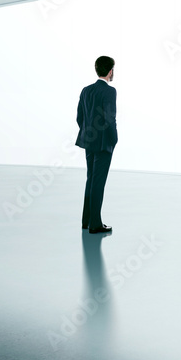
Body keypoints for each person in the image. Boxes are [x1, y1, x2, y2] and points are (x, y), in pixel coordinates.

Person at [76, 56, 117, 234]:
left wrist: (87, 133)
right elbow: (110, 118)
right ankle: (95, 224)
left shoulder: (86, 90)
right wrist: (113, 139)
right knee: (98, 183)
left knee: (91, 180)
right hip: (103, 144)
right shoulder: (109, 91)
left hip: (88, 141)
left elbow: (79, 117)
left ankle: (86, 221)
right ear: (110, 71)